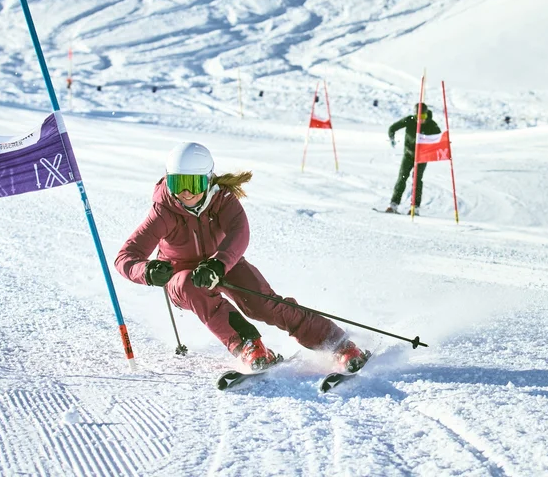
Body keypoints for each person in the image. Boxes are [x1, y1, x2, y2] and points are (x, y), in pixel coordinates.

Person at [115, 142, 368, 372]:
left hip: (221, 263)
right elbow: (125, 257)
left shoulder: (222, 200)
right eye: (177, 184)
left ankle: (337, 343)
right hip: (183, 278)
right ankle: (249, 346)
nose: (185, 193)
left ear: (208, 180)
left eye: (193, 184)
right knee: (190, 285)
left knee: (263, 304)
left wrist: (219, 263)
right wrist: (147, 271)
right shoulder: (164, 211)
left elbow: (240, 233)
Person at [384, 103, 442, 214]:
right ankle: (393, 205)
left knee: (417, 180)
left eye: (423, 117)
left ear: (426, 115)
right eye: (418, 117)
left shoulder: (432, 125)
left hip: (422, 156)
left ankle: (415, 208)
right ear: (415, 115)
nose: (421, 120)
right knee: (402, 178)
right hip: (408, 155)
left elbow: (439, 139)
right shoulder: (409, 120)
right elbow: (392, 128)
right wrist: (391, 137)